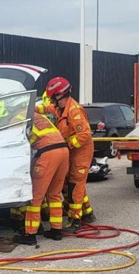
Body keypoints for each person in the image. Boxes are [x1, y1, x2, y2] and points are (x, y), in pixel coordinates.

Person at [38, 77, 96, 233]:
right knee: (68, 182)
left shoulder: (74, 111)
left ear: (59, 95)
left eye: (52, 97)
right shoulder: (59, 108)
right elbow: (45, 108)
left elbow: (84, 134)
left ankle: (76, 219)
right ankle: (88, 213)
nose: (51, 100)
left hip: (81, 151)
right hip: (71, 152)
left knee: (75, 184)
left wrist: (68, 145)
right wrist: (29, 109)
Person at [13, 112, 70, 245]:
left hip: (47, 154)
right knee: (55, 194)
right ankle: (56, 230)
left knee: (35, 197)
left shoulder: (16, 119)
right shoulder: (38, 115)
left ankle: (30, 234)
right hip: (63, 151)